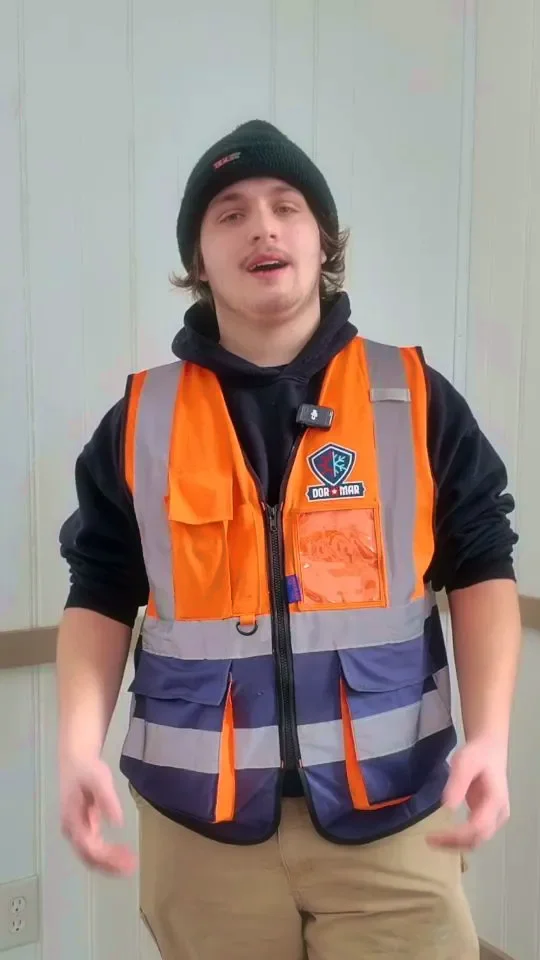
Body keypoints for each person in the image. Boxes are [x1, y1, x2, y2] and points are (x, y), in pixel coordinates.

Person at [57, 119, 521, 960]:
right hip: (201, 832)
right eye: (230, 214)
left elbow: (483, 559)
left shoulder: (414, 396)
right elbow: (98, 588)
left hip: (392, 818)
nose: (262, 227)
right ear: (198, 260)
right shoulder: (141, 421)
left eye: (287, 206)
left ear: (323, 240)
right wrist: (75, 746)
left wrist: (491, 737)